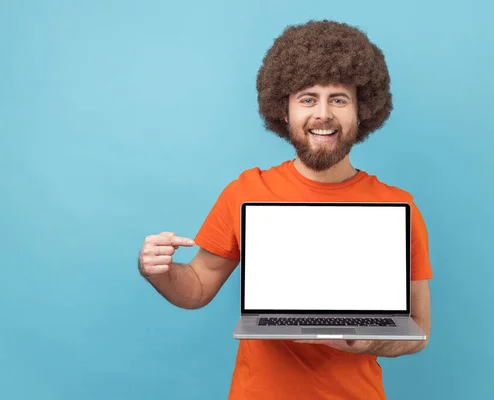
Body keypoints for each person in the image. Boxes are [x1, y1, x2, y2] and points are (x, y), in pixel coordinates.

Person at [138, 20, 433, 400]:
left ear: (363, 110)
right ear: (284, 110)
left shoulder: (398, 206)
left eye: (339, 99)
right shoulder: (246, 191)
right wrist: (157, 271)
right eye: (308, 98)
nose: (323, 114)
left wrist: (369, 343)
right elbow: (196, 287)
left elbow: (419, 330)